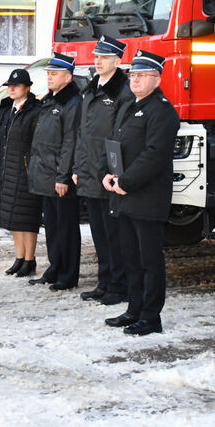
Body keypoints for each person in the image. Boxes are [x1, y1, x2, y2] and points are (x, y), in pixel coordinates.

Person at [101, 50, 180, 336]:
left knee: (149, 261)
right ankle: (134, 308)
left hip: (146, 198)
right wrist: (106, 174)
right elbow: (113, 144)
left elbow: (154, 155)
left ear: (157, 79)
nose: (134, 80)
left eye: (141, 75)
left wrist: (126, 181)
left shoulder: (162, 111)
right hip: (123, 196)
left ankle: (150, 316)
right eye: (132, 75)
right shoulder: (128, 106)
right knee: (130, 259)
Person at [73, 36, 134, 305]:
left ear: (117, 61)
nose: (97, 61)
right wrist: (77, 167)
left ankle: (119, 287)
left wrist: (114, 171)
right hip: (88, 170)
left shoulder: (123, 92)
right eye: (96, 56)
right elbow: (82, 132)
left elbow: (121, 136)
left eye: (104, 57)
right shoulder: (91, 89)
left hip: (108, 174)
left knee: (114, 235)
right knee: (98, 233)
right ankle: (104, 281)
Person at [27, 52, 82, 291]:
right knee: (51, 226)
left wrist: (64, 176)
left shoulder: (73, 103)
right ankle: (55, 267)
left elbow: (71, 141)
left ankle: (68, 274)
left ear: (68, 77)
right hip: (46, 174)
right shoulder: (50, 99)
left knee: (66, 228)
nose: (49, 77)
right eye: (48, 73)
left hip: (61, 177)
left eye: (54, 74)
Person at [0, 68, 42, 278]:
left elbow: (38, 144)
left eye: (16, 86)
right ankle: (19, 258)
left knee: (27, 218)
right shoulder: (6, 110)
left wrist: (32, 167)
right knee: (12, 218)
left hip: (25, 171)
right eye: (10, 86)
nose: (12, 89)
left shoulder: (35, 111)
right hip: (6, 170)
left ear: (27, 88)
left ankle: (30, 259)